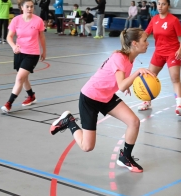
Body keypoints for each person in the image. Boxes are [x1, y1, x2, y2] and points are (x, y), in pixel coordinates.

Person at [50, 28, 153, 173]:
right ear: (135, 43)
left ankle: (125, 157)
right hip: (90, 97)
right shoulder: (120, 58)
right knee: (87, 146)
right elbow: (122, 84)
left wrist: (128, 83)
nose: (148, 43)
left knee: (134, 122)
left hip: (106, 97)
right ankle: (69, 121)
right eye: (145, 40)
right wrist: (136, 73)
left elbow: (119, 80)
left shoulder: (128, 57)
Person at [138, 0, 181, 116]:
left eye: (163, 4)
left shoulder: (173, 20)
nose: (160, 6)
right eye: (159, 4)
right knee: (149, 77)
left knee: (175, 78)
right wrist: (136, 39)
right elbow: (146, 33)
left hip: (172, 53)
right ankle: (147, 101)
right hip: (158, 53)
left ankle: (179, 105)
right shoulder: (154, 19)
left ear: (168, 6)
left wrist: (180, 50)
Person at [1, 0, 46, 113]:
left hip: (32, 53)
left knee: (20, 78)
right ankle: (31, 96)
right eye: (27, 6)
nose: (30, 9)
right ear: (22, 7)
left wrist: (44, 51)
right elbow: (9, 37)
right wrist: (13, 46)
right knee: (23, 77)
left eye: (31, 7)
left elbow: (42, 37)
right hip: (19, 53)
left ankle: (9, 104)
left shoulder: (38, 21)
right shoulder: (16, 20)